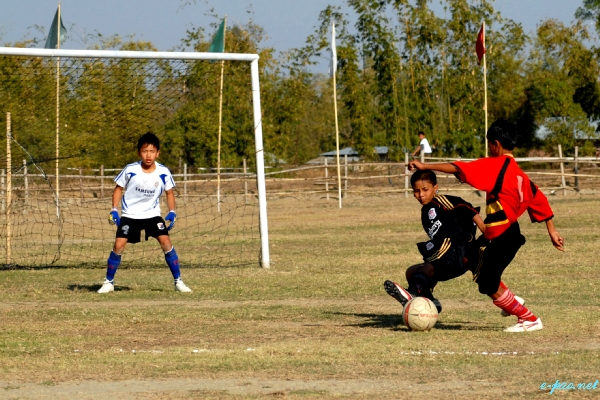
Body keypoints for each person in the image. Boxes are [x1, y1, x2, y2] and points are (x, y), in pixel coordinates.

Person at [408, 118, 564, 332]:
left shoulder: (496, 164)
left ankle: (529, 318)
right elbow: (539, 199)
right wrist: (552, 230)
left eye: (489, 145)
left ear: (495, 144)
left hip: (502, 236)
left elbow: (458, 167)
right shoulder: (519, 174)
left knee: (487, 282)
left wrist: (424, 166)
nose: (489, 150)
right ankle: (510, 300)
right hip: (503, 234)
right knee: (470, 259)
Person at [97, 132, 192, 294]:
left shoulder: (163, 172)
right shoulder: (130, 169)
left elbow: (169, 192)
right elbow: (118, 188)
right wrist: (114, 209)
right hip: (130, 215)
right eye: (145, 151)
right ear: (139, 152)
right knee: (118, 245)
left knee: (166, 242)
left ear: (158, 153)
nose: (148, 155)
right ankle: (109, 282)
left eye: (152, 151)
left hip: (152, 215)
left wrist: (172, 211)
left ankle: (178, 281)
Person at [384, 169, 486, 314]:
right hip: (447, 254)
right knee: (412, 272)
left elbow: (466, 207)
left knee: (427, 265)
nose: (420, 194)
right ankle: (430, 301)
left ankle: (413, 293)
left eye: (425, 190)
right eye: (416, 191)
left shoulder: (440, 201)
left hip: (456, 248)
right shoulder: (426, 211)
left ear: (435, 188)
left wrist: (483, 229)